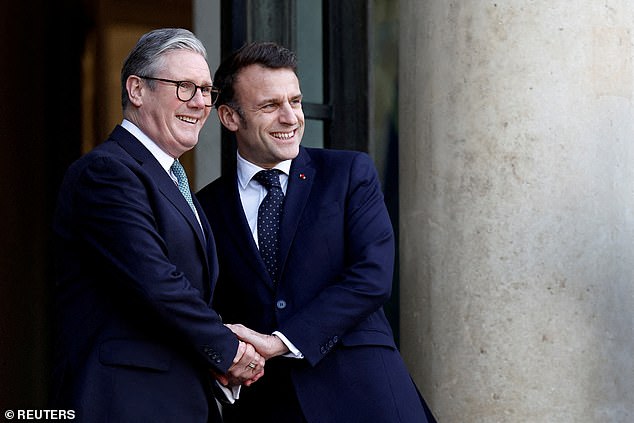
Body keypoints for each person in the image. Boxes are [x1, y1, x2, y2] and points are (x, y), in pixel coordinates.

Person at [196, 42, 436, 423]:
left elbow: (371, 279)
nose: (290, 117)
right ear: (229, 117)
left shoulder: (349, 173)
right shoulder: (205, 207)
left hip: (367, 397)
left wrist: (280, 343)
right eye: (270, 106)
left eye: (296, 101)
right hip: (269, 407)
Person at [51, 28, 264, 422]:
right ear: (136, 89)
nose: (200, 103)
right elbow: (155, 281)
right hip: (124, 402)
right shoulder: (107, 171)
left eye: (206, 90)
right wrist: (228, 349)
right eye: (185, 87)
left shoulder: (171, 179)